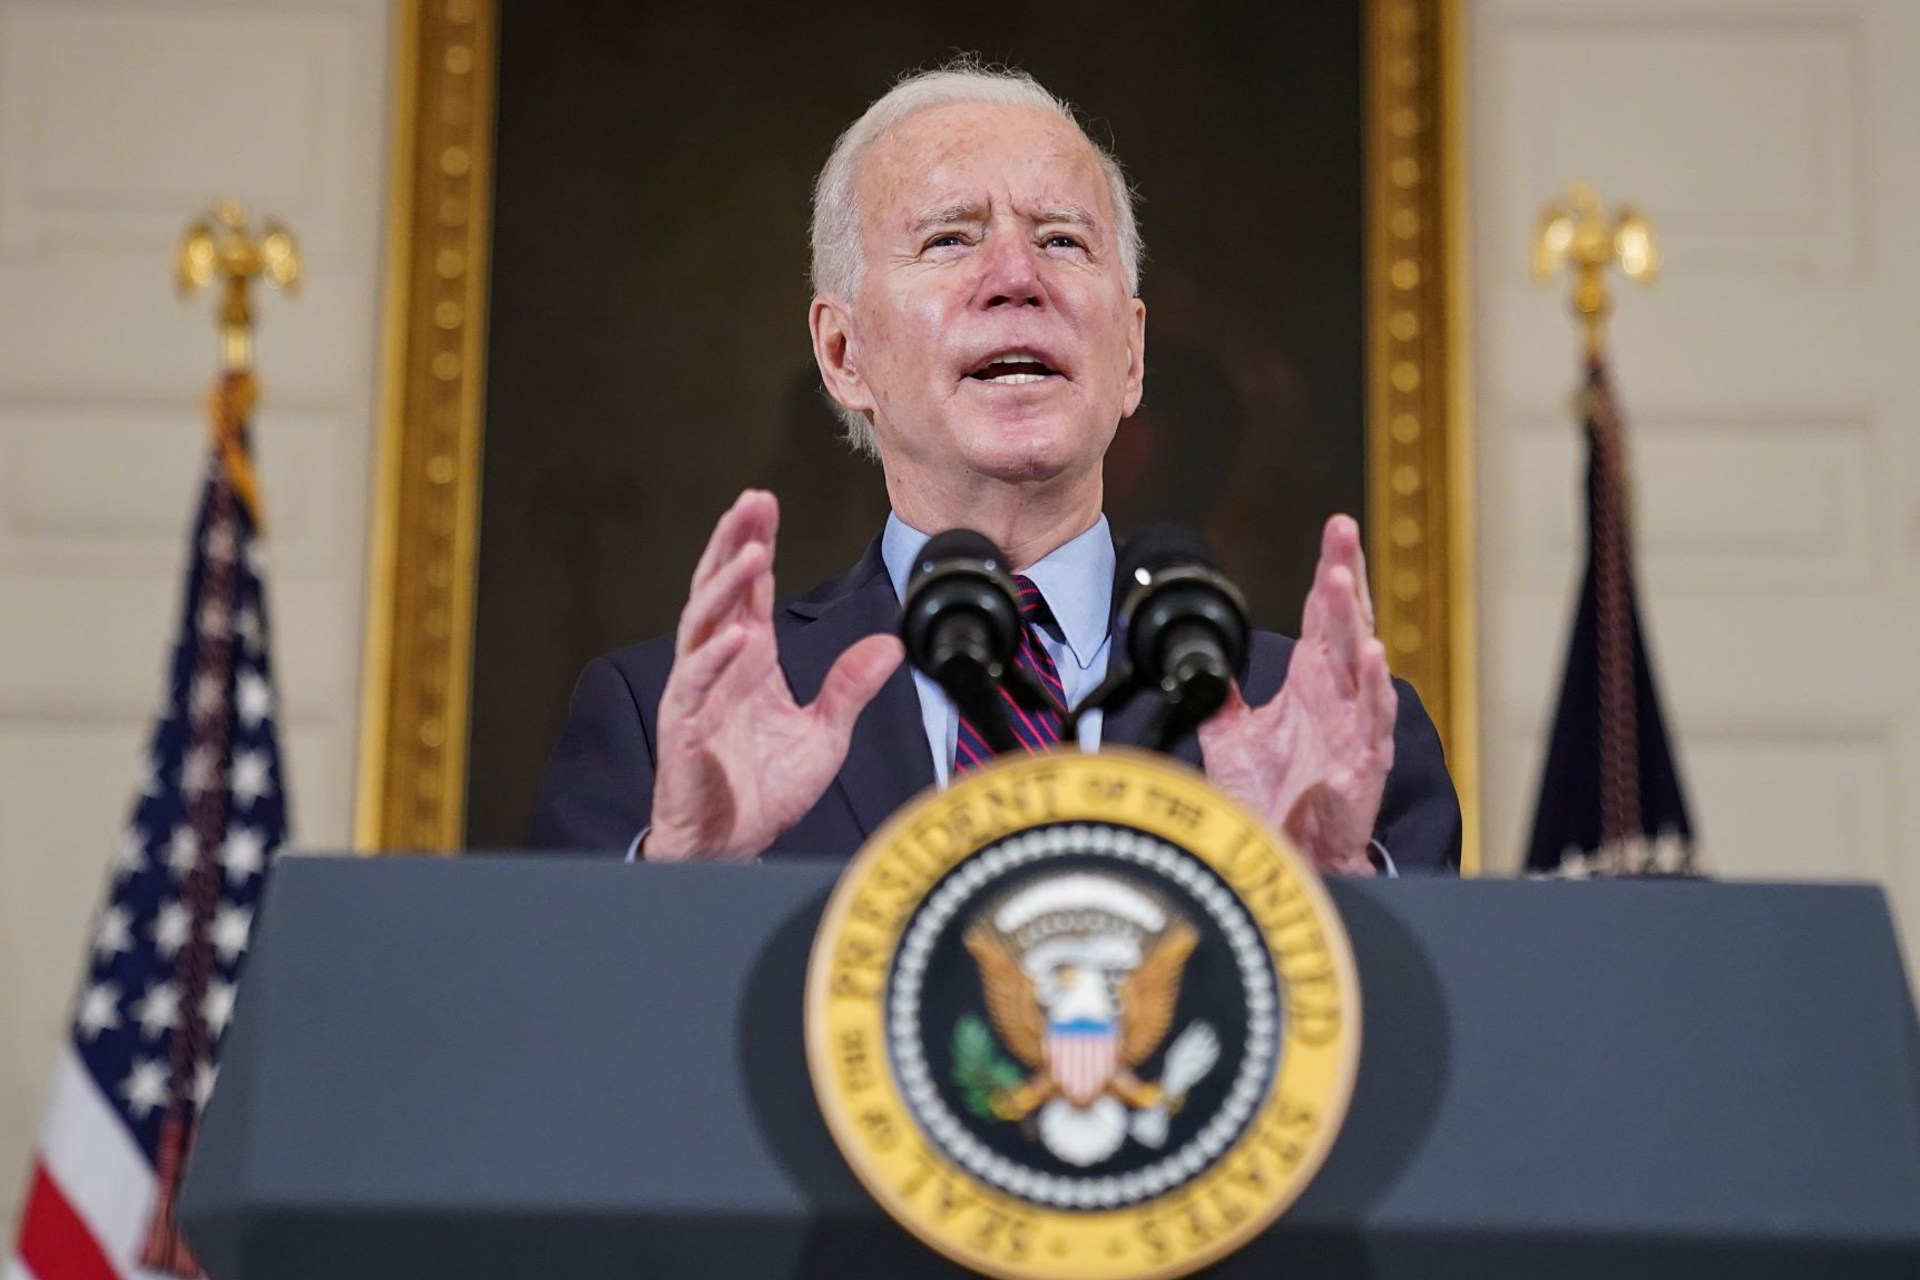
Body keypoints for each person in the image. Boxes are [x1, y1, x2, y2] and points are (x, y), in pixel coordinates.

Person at [529, 65, 1460, 873]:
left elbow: (1443, 1054)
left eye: (1062, 239)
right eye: (949, 238)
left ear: (1131, 356)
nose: (1017, 275)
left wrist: (1336, 896)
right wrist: (680, 880)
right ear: (843, 352)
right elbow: (560, 1048)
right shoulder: (662, 728)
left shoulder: (1333, 742)